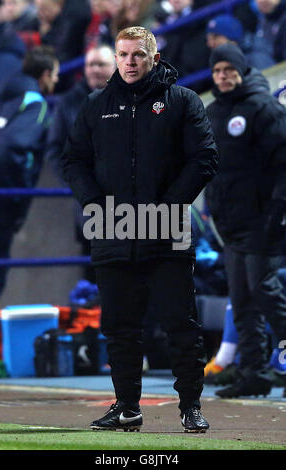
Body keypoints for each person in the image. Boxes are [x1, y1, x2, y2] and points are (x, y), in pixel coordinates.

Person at [61, 26, 218, 433]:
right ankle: (127, 407)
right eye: (123, 55)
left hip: (166, 230)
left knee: (180, 323)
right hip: (113, 229)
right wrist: (94, 203)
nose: (130, 63)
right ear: (115, 58)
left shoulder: (182, 102)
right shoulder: (96, 105)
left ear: (154, 58)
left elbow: (204, 158)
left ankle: (190, 406)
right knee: (119, 326)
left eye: (138, 56)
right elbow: (74, 160)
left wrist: (167, 206)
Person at [205, 43, 286, 398]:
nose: (223, 76)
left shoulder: (263, 108)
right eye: (217, 71)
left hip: (263, 220)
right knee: (241, 298)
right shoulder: (212, 113)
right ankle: (255, 373)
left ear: (241, 70)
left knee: (265, 292)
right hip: (231, 223)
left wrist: (277, 211)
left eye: (228, 69)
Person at [0, 45, 59, 314]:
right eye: (55, 74)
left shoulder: (0, 98)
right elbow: (13, 149)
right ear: (43, 75)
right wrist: (14, 200)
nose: (57, 80)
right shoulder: (36, 104)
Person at [46, 44, 116, 282]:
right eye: (90, 65)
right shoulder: (67, 102)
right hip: (90, 205)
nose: (95, 70)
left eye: (101, 64)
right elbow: (55, 149)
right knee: (95, 270)